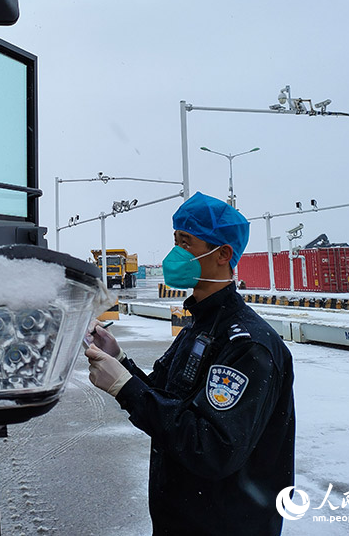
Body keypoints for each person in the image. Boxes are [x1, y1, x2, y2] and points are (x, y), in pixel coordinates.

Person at [85, 192, 295, 536]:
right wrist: (120, 360)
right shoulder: (200, 326)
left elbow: (211, 448)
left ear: (223, 254)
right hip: (182, 522)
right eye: (175, 241)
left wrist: (126, 387)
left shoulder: (248, 346)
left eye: (187, 242)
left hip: (226, 526)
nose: (175, 254)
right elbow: (170, 400)